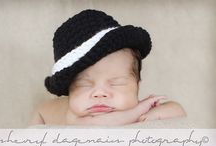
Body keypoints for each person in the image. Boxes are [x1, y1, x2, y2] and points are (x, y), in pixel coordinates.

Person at [29, 9, 186, 126]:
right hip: (41, 117)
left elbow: (178, 110)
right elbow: (99, 126)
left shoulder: (128, 105)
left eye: (116, 83)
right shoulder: (75, 116)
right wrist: (140, 109)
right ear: (69, 90)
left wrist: (162, 110)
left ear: (137, 84)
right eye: (84, 84)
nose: (100, 93)